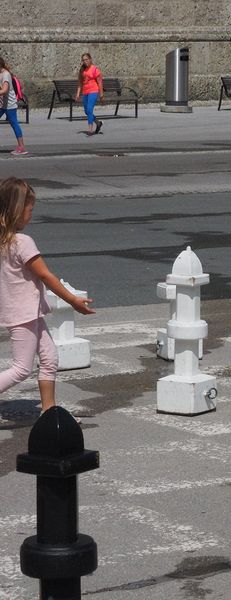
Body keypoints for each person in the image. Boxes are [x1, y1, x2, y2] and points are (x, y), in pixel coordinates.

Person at [0, 178, 94, 419]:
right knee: (21, 369)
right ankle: (48, 411)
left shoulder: (4, 242)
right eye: (30, 209)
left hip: (27, 311)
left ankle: (48, 412)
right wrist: (72, 300)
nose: (31, 214)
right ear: (18, 210)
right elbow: (45, 275)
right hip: (23, 314)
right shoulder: (22, 242)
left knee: (50, 358)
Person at [0, 57, 27, 156]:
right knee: (14, 123)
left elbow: (4, 90)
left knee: (14, 123)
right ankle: (21, 146)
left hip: (9, 105)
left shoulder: (6, 74)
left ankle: (21, 147)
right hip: (2, 104)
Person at [76, 53, 104, 135]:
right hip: (85, 92)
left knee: (89, 109)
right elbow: (80, 83)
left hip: (93, 91)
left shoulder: (95, 69)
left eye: (86, 59)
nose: (85, 61)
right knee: (87, 111)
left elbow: (100, 82)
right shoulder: (82, 71)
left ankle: (90, 129)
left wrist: (101, 94)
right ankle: (98, 123)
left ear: (90, 59)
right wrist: (78, 94)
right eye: (83, 60)